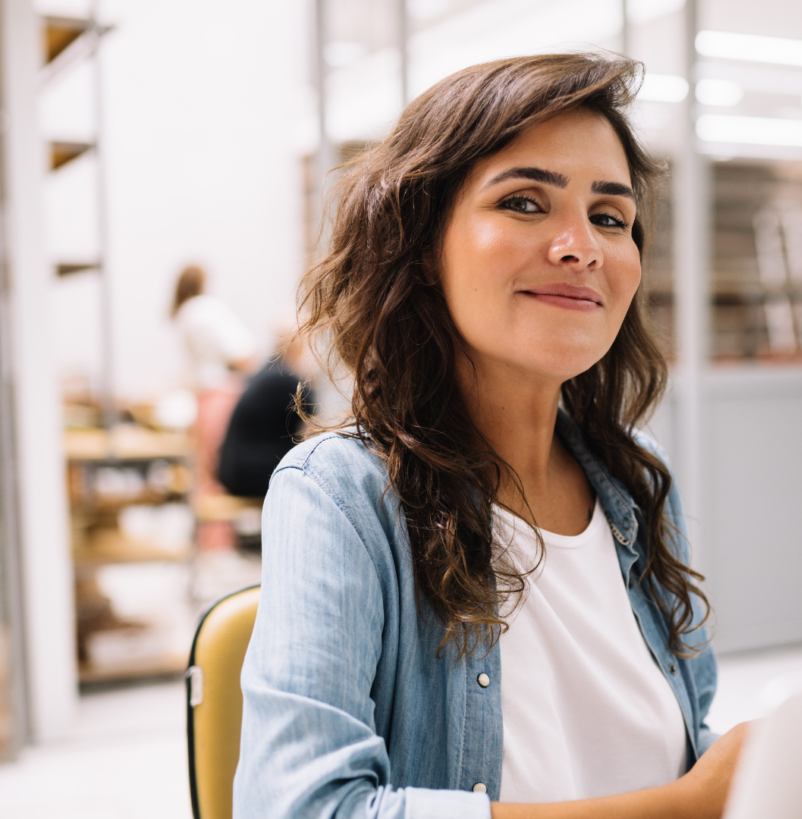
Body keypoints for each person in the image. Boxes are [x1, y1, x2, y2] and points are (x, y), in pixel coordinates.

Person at [235, 53, 748, 819]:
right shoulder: (341, 496)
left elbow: (682, 750)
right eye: (524, 203)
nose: (583, 247)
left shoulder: (641, 484)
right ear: (422, 246)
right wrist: (686, 804)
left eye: (610, 217)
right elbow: (301, 809)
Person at [171, 265, 256, 549]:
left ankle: (207, 541)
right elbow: (244, 352)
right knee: (221, 469)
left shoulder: (182, 314)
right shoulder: (207, 309)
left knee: (203, 471)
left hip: (201, 398)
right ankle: (220, 544)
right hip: (221, 396)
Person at [217, 331, 316, 500]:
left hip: (233, 471)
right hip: (249, 474)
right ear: (299, 347)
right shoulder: (285, 379)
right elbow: (313, 425)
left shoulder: (266, 372)